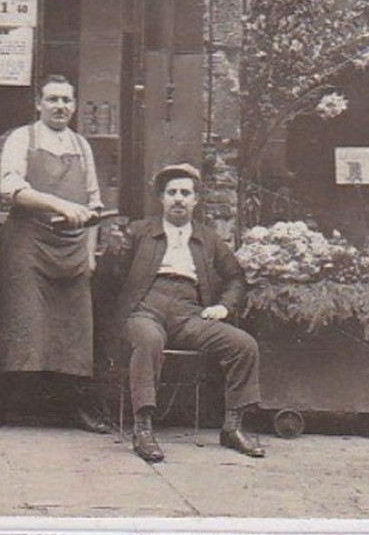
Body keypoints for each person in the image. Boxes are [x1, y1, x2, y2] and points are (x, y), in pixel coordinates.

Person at [0, 74, 112, 435]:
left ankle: (73, 407)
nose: (60, 107)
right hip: (26, 245)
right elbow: (9, 187)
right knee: (16, 323)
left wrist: (89, 253)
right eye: (52, 99)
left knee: (73, 329)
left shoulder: (82, 146)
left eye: (66, 100)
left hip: (71, 250)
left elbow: (94, 204)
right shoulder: (21, 138)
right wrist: (57, 203)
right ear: (38, 103)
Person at [108, 163, 265, 462]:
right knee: (149, 341)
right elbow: (112, 277)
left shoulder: (208, 238)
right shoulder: (140, 231)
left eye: (185, 193)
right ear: (162, 199)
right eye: (172, 193)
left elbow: (235, 278)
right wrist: (116, 253)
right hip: (145, 308)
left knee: (243, 345)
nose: (178, 198)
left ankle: (232, 427)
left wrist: (223, 306)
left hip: (190, 313)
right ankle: (143, 429)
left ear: (196, 200)